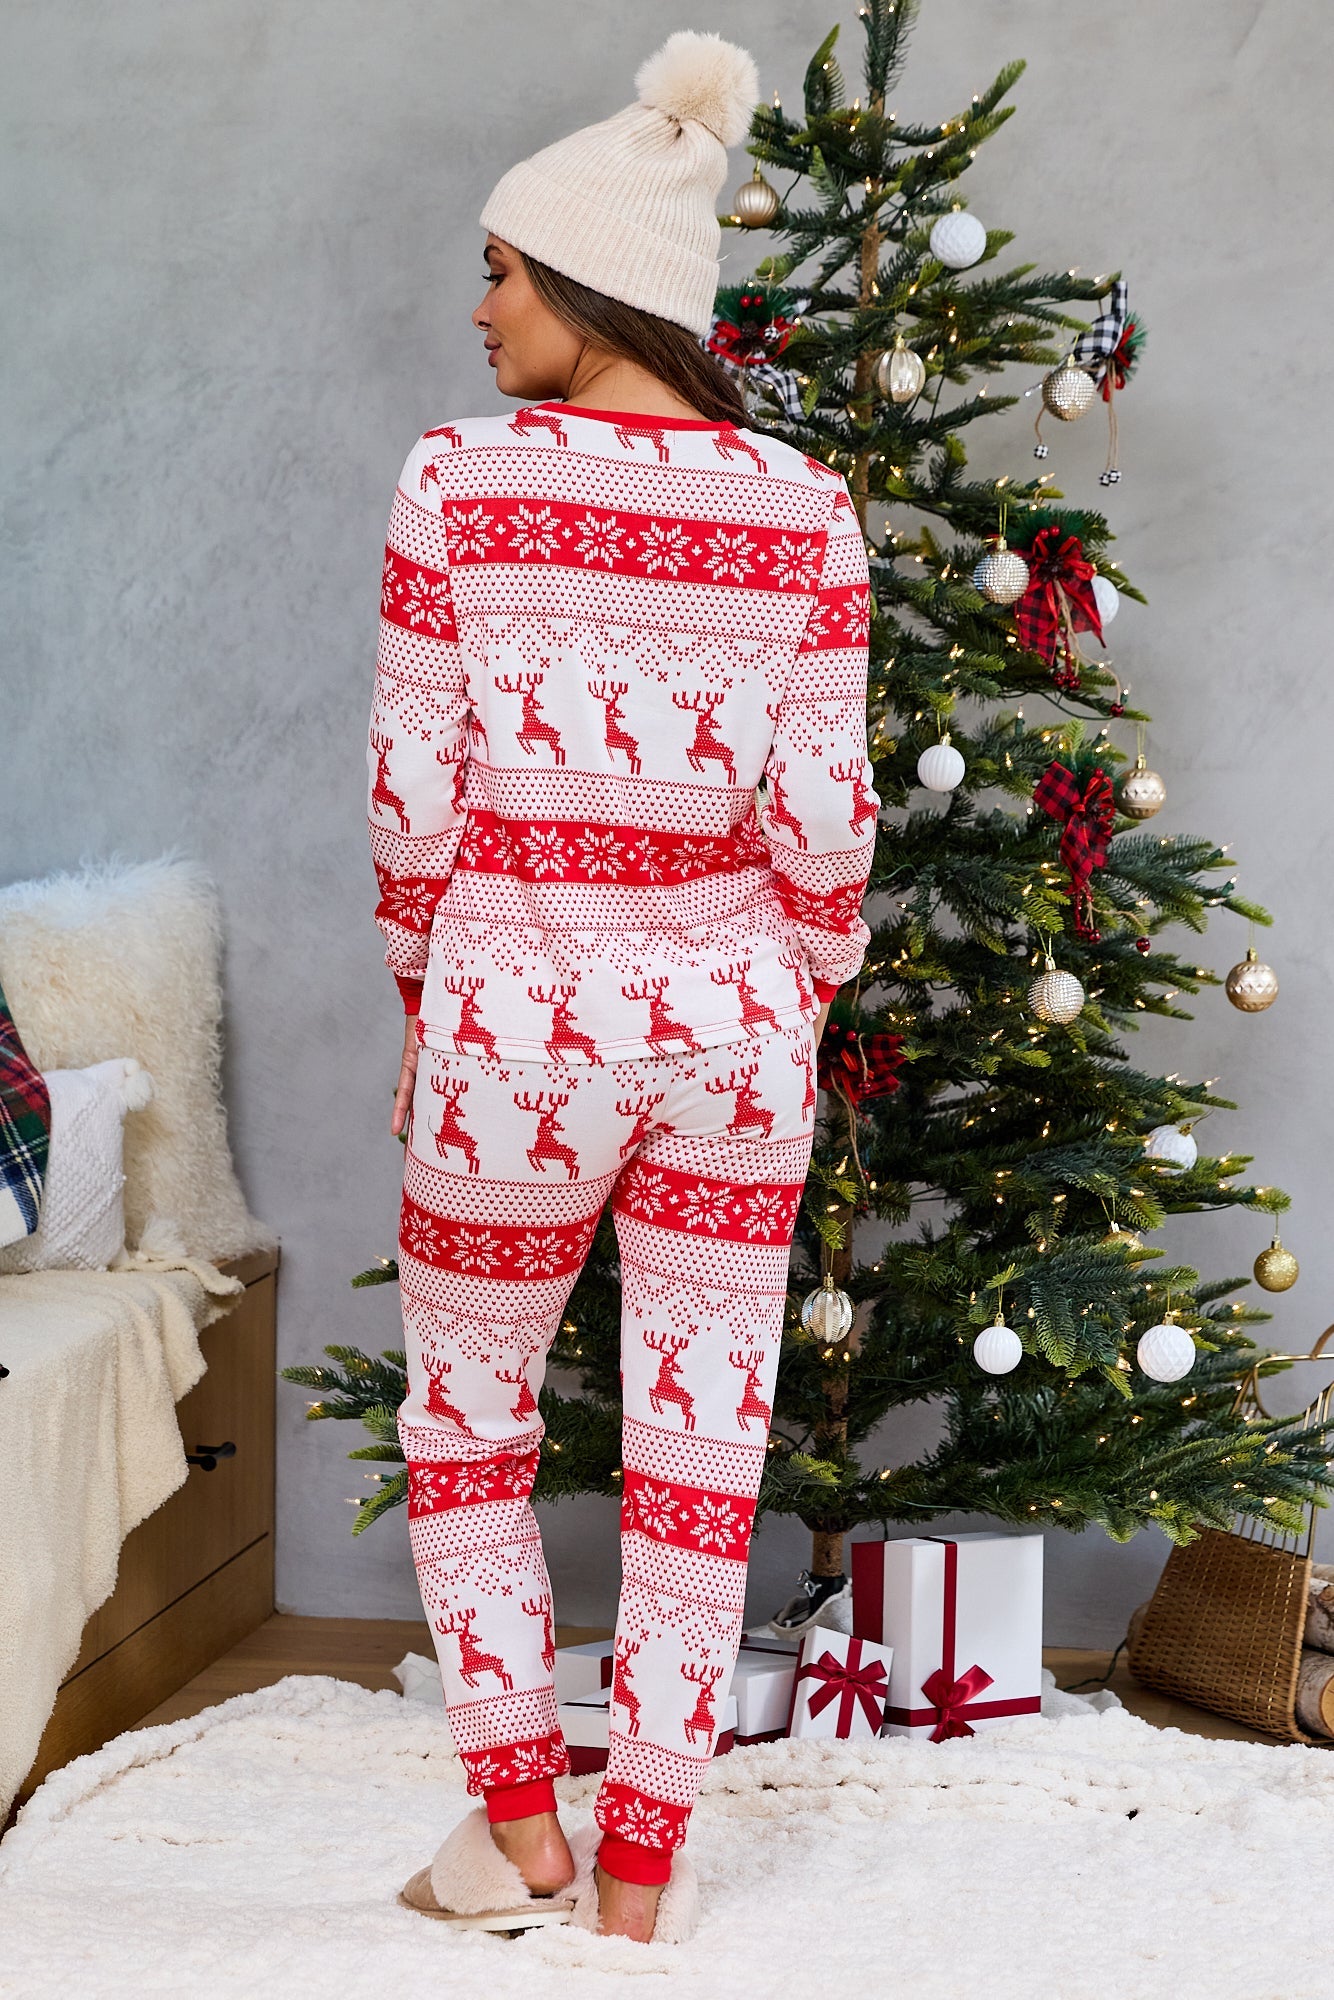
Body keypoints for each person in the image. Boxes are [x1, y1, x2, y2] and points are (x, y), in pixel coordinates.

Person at [368, 29, 877, 1945]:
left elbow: (412, 797)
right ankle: (643, 1875)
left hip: (513, 1020)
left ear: (586, 284)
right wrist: (791, 996)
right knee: (698, 1448)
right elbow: (823, 821)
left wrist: (431, 995)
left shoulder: (461, 480)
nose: (478, 305)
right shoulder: (802, 509)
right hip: (734, 1033)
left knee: (467, 1418)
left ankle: (523, 1831)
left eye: (501, 269)